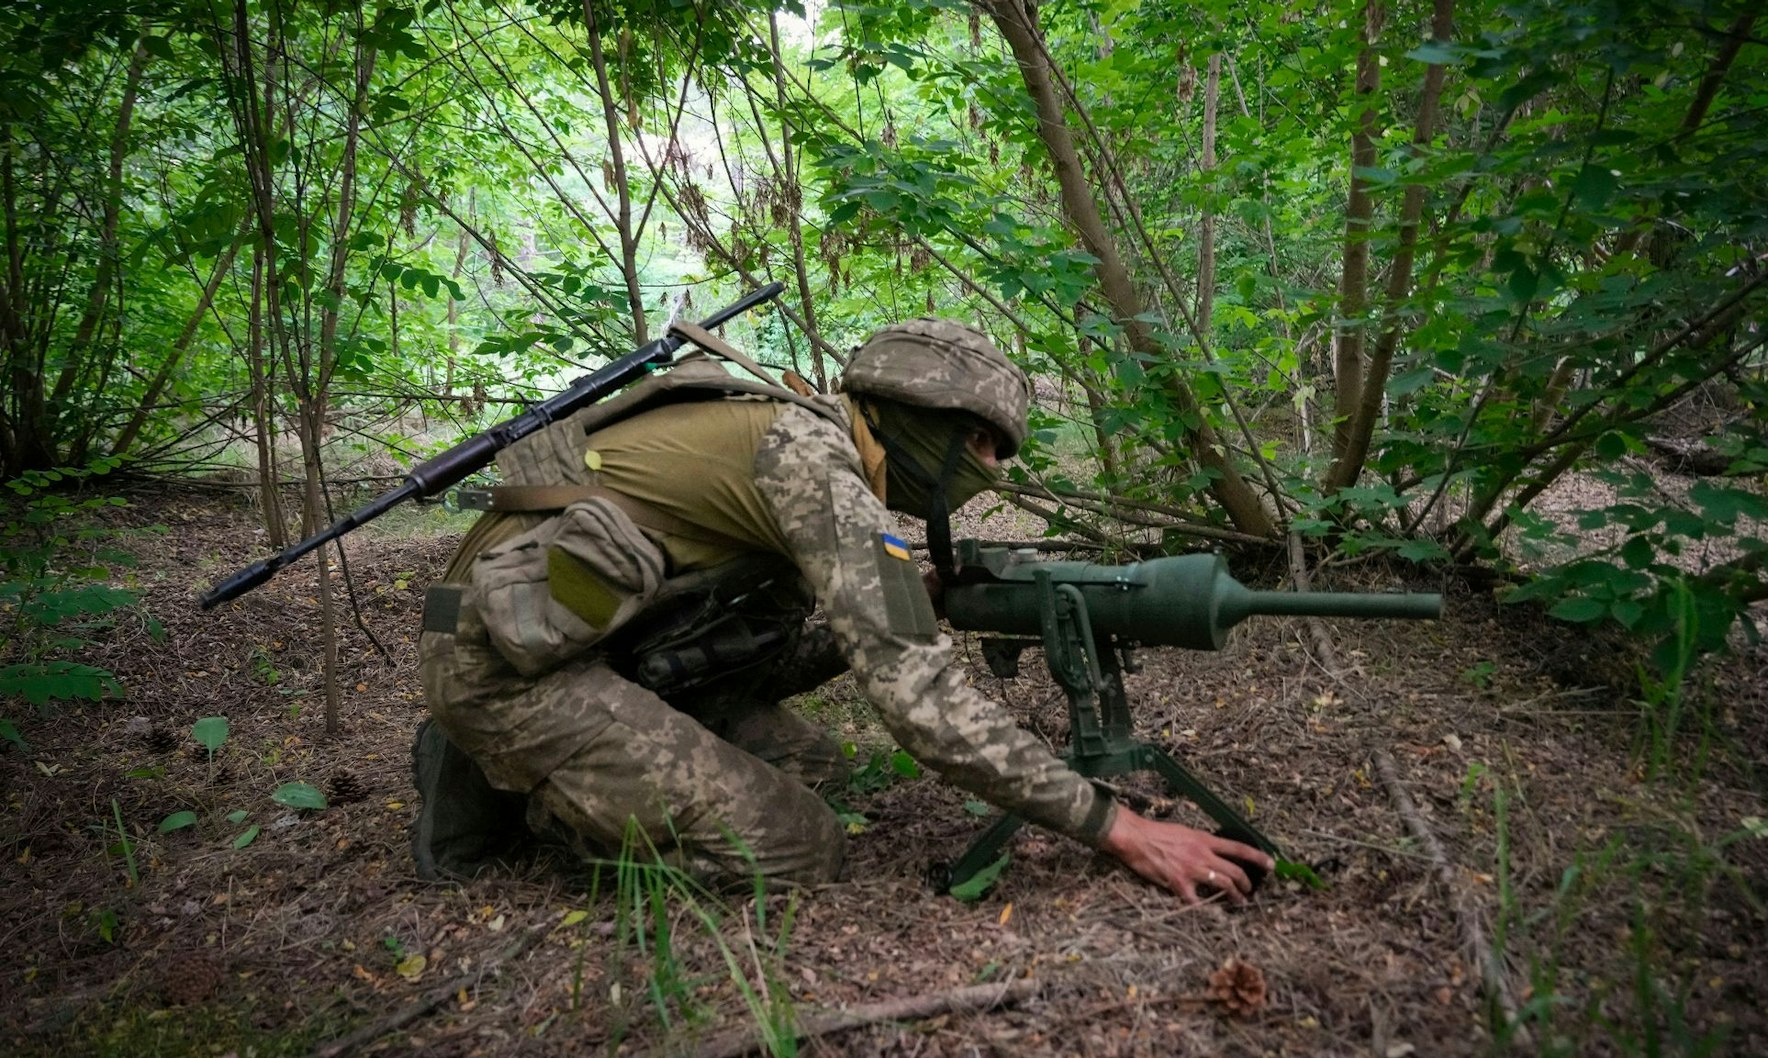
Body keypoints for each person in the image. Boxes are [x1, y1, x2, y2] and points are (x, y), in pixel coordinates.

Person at [411, 316, 1272, 903]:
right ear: (916, 418)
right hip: (504, 667)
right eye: (981, 444)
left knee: (817, 765)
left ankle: (518, 756)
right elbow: (916, 701)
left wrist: (905, 604)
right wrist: (1117, 827)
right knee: (797, 845)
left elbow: (760, 654)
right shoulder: (810, 459)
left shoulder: (796, 438)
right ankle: (529, 798)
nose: (994, 472)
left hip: (546, 634)